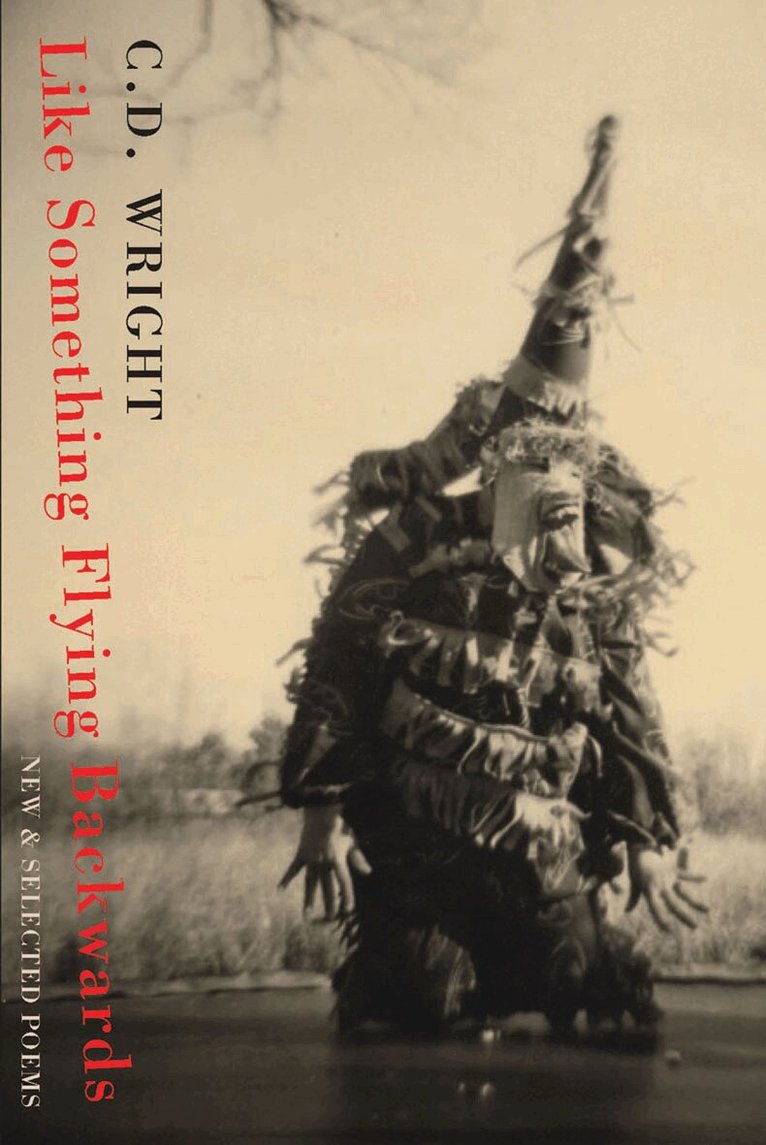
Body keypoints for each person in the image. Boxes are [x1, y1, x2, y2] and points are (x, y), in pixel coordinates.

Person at [278, 118, 705, 1035]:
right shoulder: (417, 539)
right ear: (500, 460)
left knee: (586, 983)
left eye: (566, 474)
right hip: (420, 841)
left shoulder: (587, 584)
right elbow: (340, 659)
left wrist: (641, 839)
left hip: (541, 850)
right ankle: (417, 960)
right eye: (533, 466)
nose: (553, 495)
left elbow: (629, 707)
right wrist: (321, 806)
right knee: (420, 992)